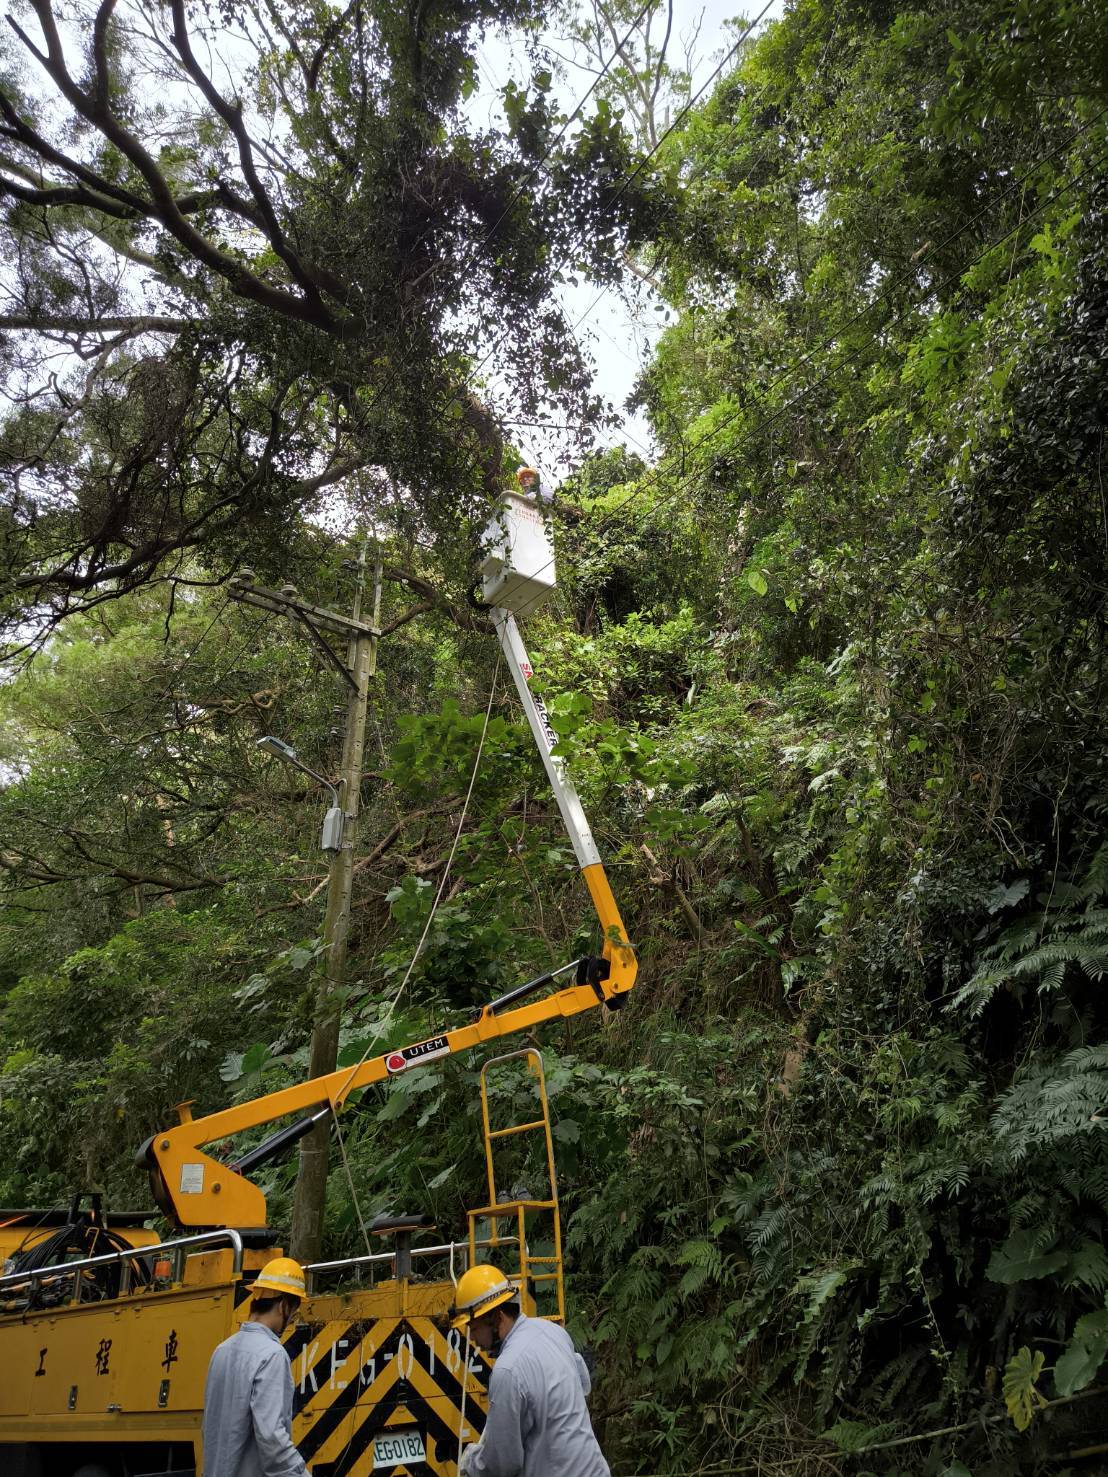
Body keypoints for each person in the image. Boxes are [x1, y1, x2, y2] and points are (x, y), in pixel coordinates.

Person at [452, 1263, 609, 1477]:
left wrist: (471, 1463)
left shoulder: (507, 1370)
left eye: (473, 1327)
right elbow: (582, 1386)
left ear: (497, 1317)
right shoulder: (553, 1332)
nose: (470, 1337)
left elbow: (503, 1463)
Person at [202, 1256, 309, 1477]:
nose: (291, 1321)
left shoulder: (221, 1350)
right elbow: (271, 1437)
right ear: (283, 1306)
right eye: (294, 1313)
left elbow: (209, 1428)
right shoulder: (272, 1355)